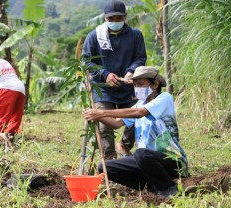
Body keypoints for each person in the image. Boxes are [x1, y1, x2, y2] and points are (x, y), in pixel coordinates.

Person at [82, 66, 189, 198]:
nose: (137, 88)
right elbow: (116, 123)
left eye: (141, 84)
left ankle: (169, 188)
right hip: (146, 162)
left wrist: (102, 112)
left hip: (172, 161)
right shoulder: (140, 103)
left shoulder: (164, 98)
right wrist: (96, 115)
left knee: (141, 154)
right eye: (135, 85)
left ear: (154, 84)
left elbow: (140, 113)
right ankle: (151, 187)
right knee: (105, 168)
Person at [82, 0, 147, 159]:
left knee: (135, 118)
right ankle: (109, 158)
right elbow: (86, 61)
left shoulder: (135, 35)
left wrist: (131, 72)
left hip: (128, 86)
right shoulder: (95, 36)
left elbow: (140, 58)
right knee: (104, 122)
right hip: (103, 87)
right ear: (105, 18)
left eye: (118, 18)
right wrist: (105, 74)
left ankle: (125, 145)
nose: (115, 22)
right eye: (111, 19)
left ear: (125, 16)